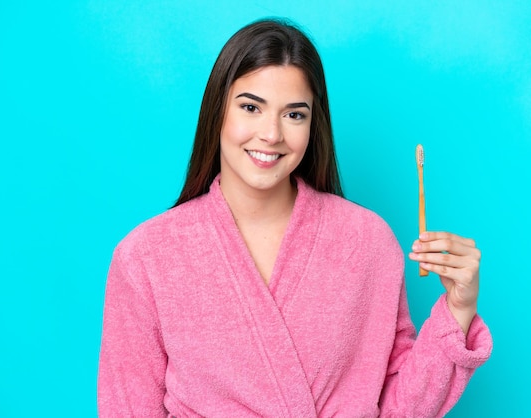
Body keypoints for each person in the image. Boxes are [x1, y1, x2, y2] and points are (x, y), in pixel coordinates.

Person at [98, 18, 492, 417]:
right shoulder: (145, 257)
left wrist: (459, 309)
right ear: (217, 111)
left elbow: (401, 408)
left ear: (312, 124)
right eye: (251, 107)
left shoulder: (368, 241)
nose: (271, 134)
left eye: (294, 115)